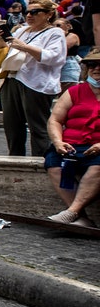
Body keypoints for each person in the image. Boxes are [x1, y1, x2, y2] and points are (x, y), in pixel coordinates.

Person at [1, 0, 68, 156]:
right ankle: (15, 158)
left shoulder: (55, 33)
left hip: (36, 82)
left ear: (48, 14)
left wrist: (25, 47)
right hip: (14, 78)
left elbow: (55, 57)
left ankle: (41, 159)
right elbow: (10, 49)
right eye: (27, 12)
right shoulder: (22, 31)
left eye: (35, 12)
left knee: (38, 126)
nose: (29, 15)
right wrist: (3, 37)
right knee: (12, 125)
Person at [43, 48, 100, 226]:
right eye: (91, 65)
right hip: (71, 144)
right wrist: (58, 141)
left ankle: (72, 212)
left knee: (98, 166)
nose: (96, 69)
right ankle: (80, 216)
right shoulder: (75, 91)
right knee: (53, 164)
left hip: (97, 146)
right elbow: (55, 119)